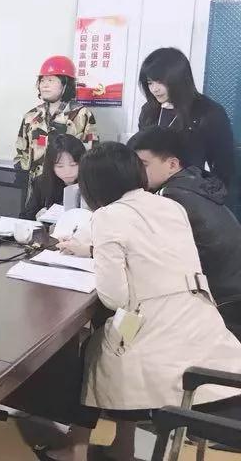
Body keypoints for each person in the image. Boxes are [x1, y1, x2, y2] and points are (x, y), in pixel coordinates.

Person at [37, 142, 241, 461]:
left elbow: (114, 297)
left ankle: (76, 449)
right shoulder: (169, 205)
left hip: (156, 334)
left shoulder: (107, 216)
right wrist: (93, 249)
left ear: (92, 185)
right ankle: (122, 447)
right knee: (113, 342)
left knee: (96, 348)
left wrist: (98, 255)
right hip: (205, 329)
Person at [128, 126, 241, 309]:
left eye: (143, 165)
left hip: (216, 302)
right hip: (231, 291)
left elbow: (147, 253)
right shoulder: (196, 183)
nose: (135, 172)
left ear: (172, 164)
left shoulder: (170, 197)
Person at [138, 47, 234, 188]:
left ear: (178, 79)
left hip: (189, 191)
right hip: (149, 190)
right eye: (150, 82)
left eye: (160, 82)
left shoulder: (209, 112)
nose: (154, 89)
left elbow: (224, 166)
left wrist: (208, 195)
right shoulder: (149, 111)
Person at [15, 56, 98, 181]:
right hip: (36, 183)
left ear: (65, 85)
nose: (45, 85)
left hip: (68, 182)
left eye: (51, 80)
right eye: (42, 80)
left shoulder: (82, 114)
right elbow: (21, 151)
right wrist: (21, 178)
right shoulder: (31, 116)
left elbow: (92, 153)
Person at [21, 134, 85, 220]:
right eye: (60, 166)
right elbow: (25, 217)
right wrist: (37, 216)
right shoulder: (41, 183)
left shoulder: (92, 182)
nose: (67, 171)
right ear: (51, 166)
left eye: (73, 165)